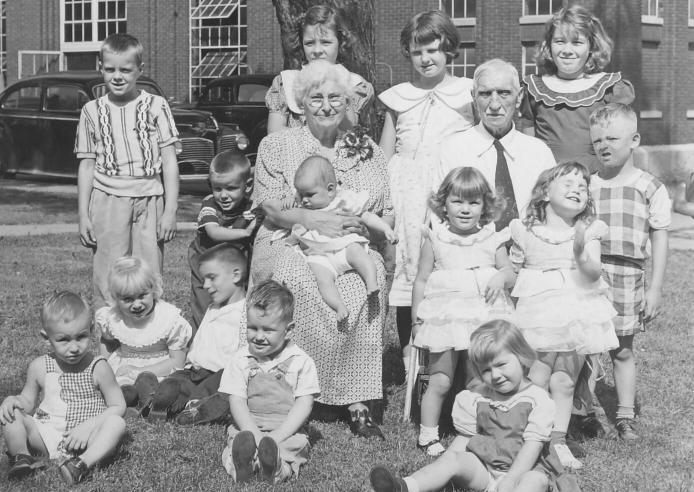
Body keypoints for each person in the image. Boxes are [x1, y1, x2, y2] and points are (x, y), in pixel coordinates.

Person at [251, 60, 391, 438]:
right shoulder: (277, 145)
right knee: (296, 277)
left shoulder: (366, 150)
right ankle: (293, 389)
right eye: (317, 98)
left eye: (335, 98)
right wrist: (314, 222)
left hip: (350, 241)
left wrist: (355, 228)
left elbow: (379, 209)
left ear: (348, 102)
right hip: (293, 239)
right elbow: (270, 206)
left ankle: (358, 400)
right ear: (301, 102)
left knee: (368, 277)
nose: (326, 105)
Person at [379, 10, 475, 370]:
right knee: (408, 276)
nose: (426, 58)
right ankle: (411, 357)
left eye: (434, 50)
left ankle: (454, 353)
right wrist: (385, 203)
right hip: (405, 196)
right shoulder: (398, 98)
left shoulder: (466, 92)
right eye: (418, 52)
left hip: (449, 192)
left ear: (449, 49)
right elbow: (385, 155)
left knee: (446, 269)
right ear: (408, 53)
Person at [509, 161, 619, 469]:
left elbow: (594, 271)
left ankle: (556, 439)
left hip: (573, 312)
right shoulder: (527, 230)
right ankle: (526, 434)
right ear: (544, 193)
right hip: (539, 313)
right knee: (537, 375)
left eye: (582, 187)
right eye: (568, 184)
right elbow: (514, 269)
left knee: (565, 381)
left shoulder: (588, 231)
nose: (577, 190)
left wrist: (580, 252)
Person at [370, 320, 555, 492]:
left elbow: (533, 447)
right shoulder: (478, 397)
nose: (496, 375)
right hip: (485, 466)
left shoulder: (537, 399)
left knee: (534, 481)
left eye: (501, 364)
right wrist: (446, 466)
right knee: (452, 459)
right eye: (486, 370)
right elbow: (465, 438)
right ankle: (404, 486)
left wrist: (511, 479)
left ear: (521, 357)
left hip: (525, 469)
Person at [411, 167, 515, 457]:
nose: (465, 209)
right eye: (458, 201)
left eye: (474, 202)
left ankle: (474, 430)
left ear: (485, 206)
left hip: (482, 315)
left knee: (478, 379)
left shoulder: (491, 238)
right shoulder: (436, 238)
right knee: (441, 378)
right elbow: (420, 279)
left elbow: (510, 271)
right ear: (444, 203)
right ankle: (428, 434)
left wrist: (501, 276)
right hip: (446, 317)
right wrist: (417, 320)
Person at [75, 33, 180, 310]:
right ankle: (108, 343)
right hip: (107, 199)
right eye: (110, 69)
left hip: (149, 199)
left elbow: (169, 160)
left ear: (139, 71)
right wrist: (83, 214)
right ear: (101, 69)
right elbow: (86, 165)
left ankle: (149, 340)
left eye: (125, 69)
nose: (117, 76)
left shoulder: (156, 106)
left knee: (149, 272)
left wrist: (170, 211)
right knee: (108, 272)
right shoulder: (91, 111)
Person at [589, 103, 670, 440]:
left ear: (634, 139)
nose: (604, 145)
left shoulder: (649, 186)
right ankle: (586, 411)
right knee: (587, 348)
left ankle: (625, 416)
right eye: (597, 141)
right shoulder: (586, 184)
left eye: (613, 138)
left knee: (621, 349)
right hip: (591, 275)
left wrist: (654, 288)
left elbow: (660, 237)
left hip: (627, 275)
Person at [0, 292, 126, 484]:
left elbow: (118, 405)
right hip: (46, 434)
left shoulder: (98, 367)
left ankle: (80, 464)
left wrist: (88, 426)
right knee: (13, 414)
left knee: (117, 424)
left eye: (81, 337)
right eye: (64, 340)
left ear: (91, 330)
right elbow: (27, 401)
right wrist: (14, 401)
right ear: (46, 338)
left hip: (87, 439)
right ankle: (22, 458)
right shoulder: (39, 366)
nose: (74, 347)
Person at [220, 280, 320, 485]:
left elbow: (304, 403)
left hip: (287, 427)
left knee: (295, 444)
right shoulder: (240, 359)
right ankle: (241, 466)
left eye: (267, 330)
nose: (258, 336)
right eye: (252, 328)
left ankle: (275, 468)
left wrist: (278, 435)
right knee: (235, 443)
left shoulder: (301, 361)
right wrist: (253, 433)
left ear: (288, 330)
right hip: (248, 424)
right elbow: (237, 401)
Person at [439, 58, 556, 234]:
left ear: (519, 98)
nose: (494, 105)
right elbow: (440, 216)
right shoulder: (452, 150)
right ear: (473, 98)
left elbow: (555, 213)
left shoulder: (540, 153)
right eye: (485, 94)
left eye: (504, 93)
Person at [519, 5, 635, 173]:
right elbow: (528, 145)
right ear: (549, 46)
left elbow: (623, 146)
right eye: (560, 41)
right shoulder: (534, 88)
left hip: (595, 179)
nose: (567, 50)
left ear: (591, 47)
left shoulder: (608, 88)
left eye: (577, 42)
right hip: (549, 180)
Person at [280, 155, 397, 322]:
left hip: (344, 247)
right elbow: (290, 207)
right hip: (319, 255)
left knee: (358, 253)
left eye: (309, 194)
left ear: (330, 190)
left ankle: (371, 282)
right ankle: (338, 305)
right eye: (300, 194)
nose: (304, 199)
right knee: (322, 279)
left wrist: (386, 229)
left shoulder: (343, 200)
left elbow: (367, 216)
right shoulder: (304, 204)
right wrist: (290, 199)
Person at [145, 244, 247, 424]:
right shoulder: (213, 307)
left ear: (236, 275)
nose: (206, 285)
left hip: (221, 375)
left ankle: (198, 410)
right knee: (176, 382)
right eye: (204, 279)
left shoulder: (245, 312)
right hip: (194, 372)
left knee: (222, 389)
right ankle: (155, 404)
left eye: (212, 278)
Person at [265, 4, 373, 133]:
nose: (317, 51)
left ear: (341, 42)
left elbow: (348, 129)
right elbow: (274, 132)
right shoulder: (286, 82)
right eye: (309, 43)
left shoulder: (355, 84)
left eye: (326, 42)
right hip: (295, 151)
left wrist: (341, 88)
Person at [96, 256, 192, 397]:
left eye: (142, 296)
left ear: (152, 289)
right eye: (128, 299)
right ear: (116, 298)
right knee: (118, 384)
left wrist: (139, 371)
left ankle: (153, 400)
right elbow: (107, 343)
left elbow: (177, 361)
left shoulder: (168, 319)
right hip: (124, 367)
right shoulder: (113, 317)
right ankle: (127, 398)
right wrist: (101, 365)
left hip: (159, 368)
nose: (136, 305)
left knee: (166, 386)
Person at [188, 150, 256, 330]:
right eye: (217, 188)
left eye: (231, 188)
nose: (223, 195)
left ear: (247, 185)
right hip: (205, 261)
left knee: (236, 304)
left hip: (233, 263)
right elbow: (213, 231)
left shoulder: (251, 206)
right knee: (205, 304)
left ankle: (231, 340)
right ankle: (199, 344)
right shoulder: (209, 203)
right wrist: (245, 232)